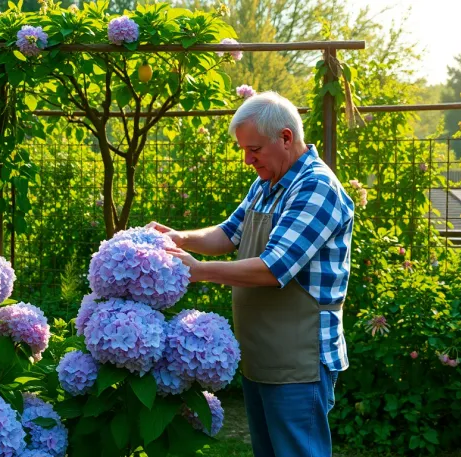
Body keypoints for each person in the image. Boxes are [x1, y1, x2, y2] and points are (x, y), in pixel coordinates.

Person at [147, 91, 354, 457]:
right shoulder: (267, 184)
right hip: (262, 355)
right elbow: (228, 233)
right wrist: (178, 237)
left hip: (298, 361)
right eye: (244, 149)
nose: (247, 159)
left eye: (253, 149)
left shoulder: (316, 187)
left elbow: (275, 268)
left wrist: (199, 272)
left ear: (286, 138)